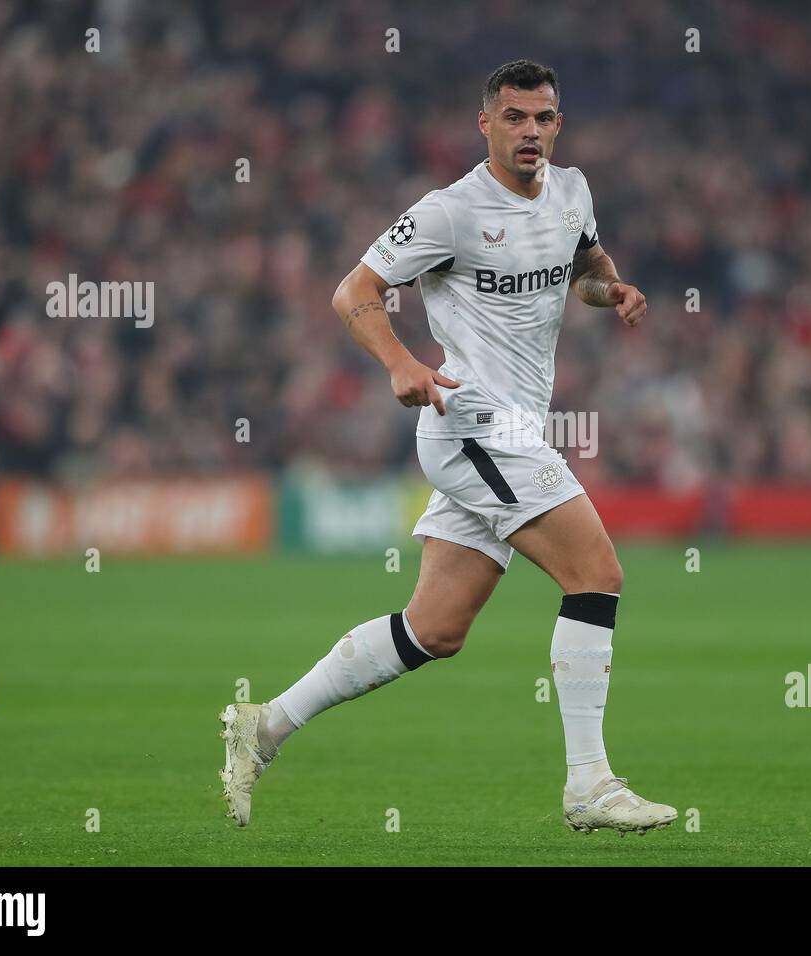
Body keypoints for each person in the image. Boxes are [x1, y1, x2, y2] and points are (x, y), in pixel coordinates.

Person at [220, 59, 674, 836]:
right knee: (596, 572)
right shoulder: (450, 212)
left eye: (544, 118)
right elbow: (351, 292)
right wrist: (401, 362)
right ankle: (590, 784)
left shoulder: (573, 192)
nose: (530, 132)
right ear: (486, 124)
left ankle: (263, 726)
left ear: (558, 125)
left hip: (514, 431)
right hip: (473, 425)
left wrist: (614, 293)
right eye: (515, 118)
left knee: (435, 629)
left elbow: (587, 270)